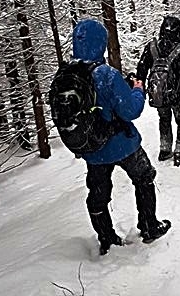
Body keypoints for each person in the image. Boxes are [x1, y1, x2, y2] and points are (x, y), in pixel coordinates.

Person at [71, 18, 171, 254]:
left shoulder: (68, 75)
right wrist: (137, 89)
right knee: (144, 177)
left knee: (98, 195)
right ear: (101, 43)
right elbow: (130, 110)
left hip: (92, 148)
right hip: (122, 144)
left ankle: (107, 239)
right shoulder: (106, 74)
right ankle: (149, 226)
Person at [136, 14, 180, 167]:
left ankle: (165, 149)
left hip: (159, 94)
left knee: (164, 119)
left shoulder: (152, 47)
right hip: (178, 94)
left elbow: (141, 69)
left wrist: (141, 88)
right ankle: (179, 150)